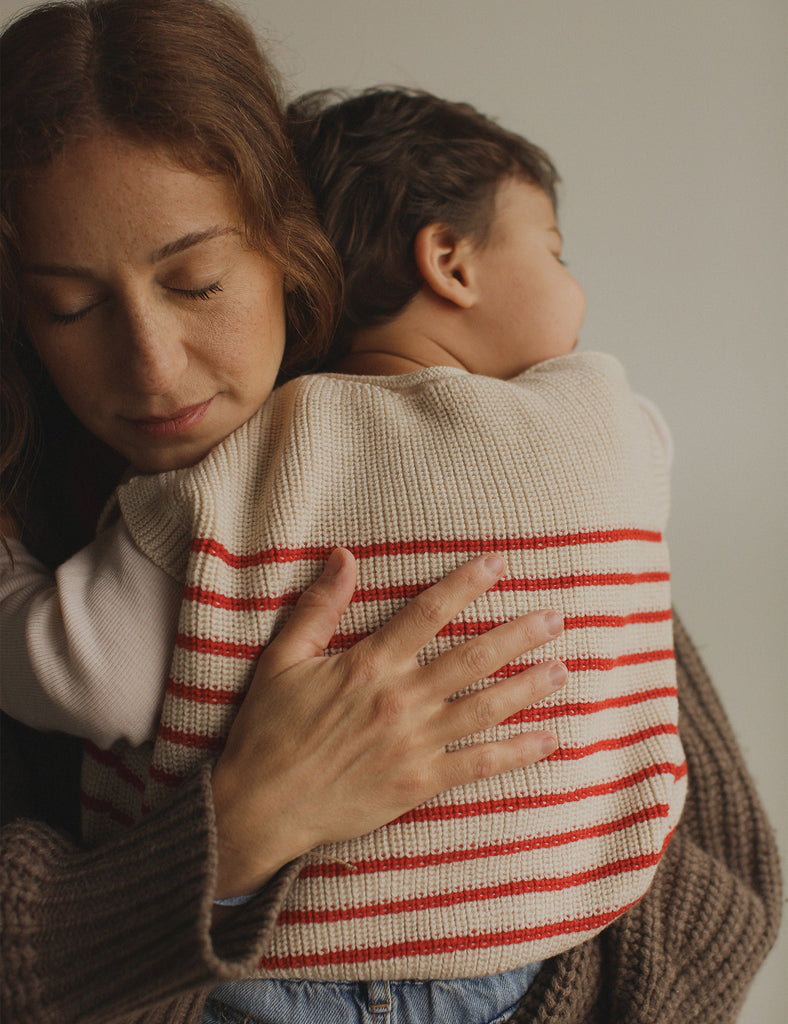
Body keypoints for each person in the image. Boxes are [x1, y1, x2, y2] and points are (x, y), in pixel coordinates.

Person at [0, 3, 781, 1024]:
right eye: (68, 305)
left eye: (196, 283)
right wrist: (233, 834)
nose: (153, 366)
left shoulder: (410, 456)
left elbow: (713, 865)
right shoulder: (573, 434)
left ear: (287, 248)